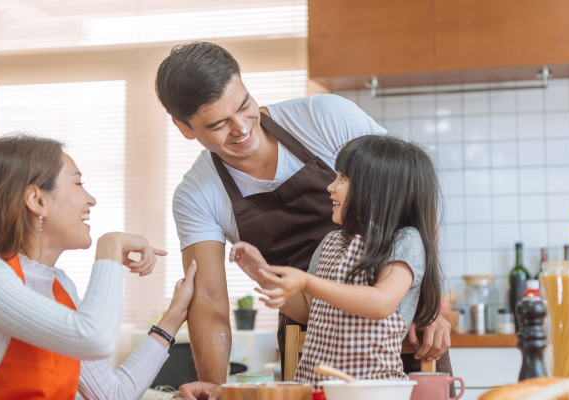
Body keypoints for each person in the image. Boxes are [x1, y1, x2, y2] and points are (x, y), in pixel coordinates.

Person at [155, 42, 452, 394]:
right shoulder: (196, 195)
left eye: (244, 105)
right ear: (184, 128)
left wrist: (431, 306)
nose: (241, 128)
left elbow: (409, 194)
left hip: (401, 329)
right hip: (314, 340)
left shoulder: (326, 116)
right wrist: (215, 387)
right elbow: (209, 301)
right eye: (219, 124)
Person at [0, 135, 217, 399]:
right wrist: (109, 247)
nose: (91, 199)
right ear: (36, 200)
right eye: (78, 182)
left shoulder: (59, 286)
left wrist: (175, 314)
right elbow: (93, 337)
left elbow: (112, 394)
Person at [230, 135, 443, 388]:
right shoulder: (331, 242)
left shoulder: (404, 241)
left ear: (379, 190)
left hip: (373, 390)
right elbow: (310, 311)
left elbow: (381, 302)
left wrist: (306, 282)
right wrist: (262, 274)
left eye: (343, 178)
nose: (331, 187)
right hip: (316, 388)